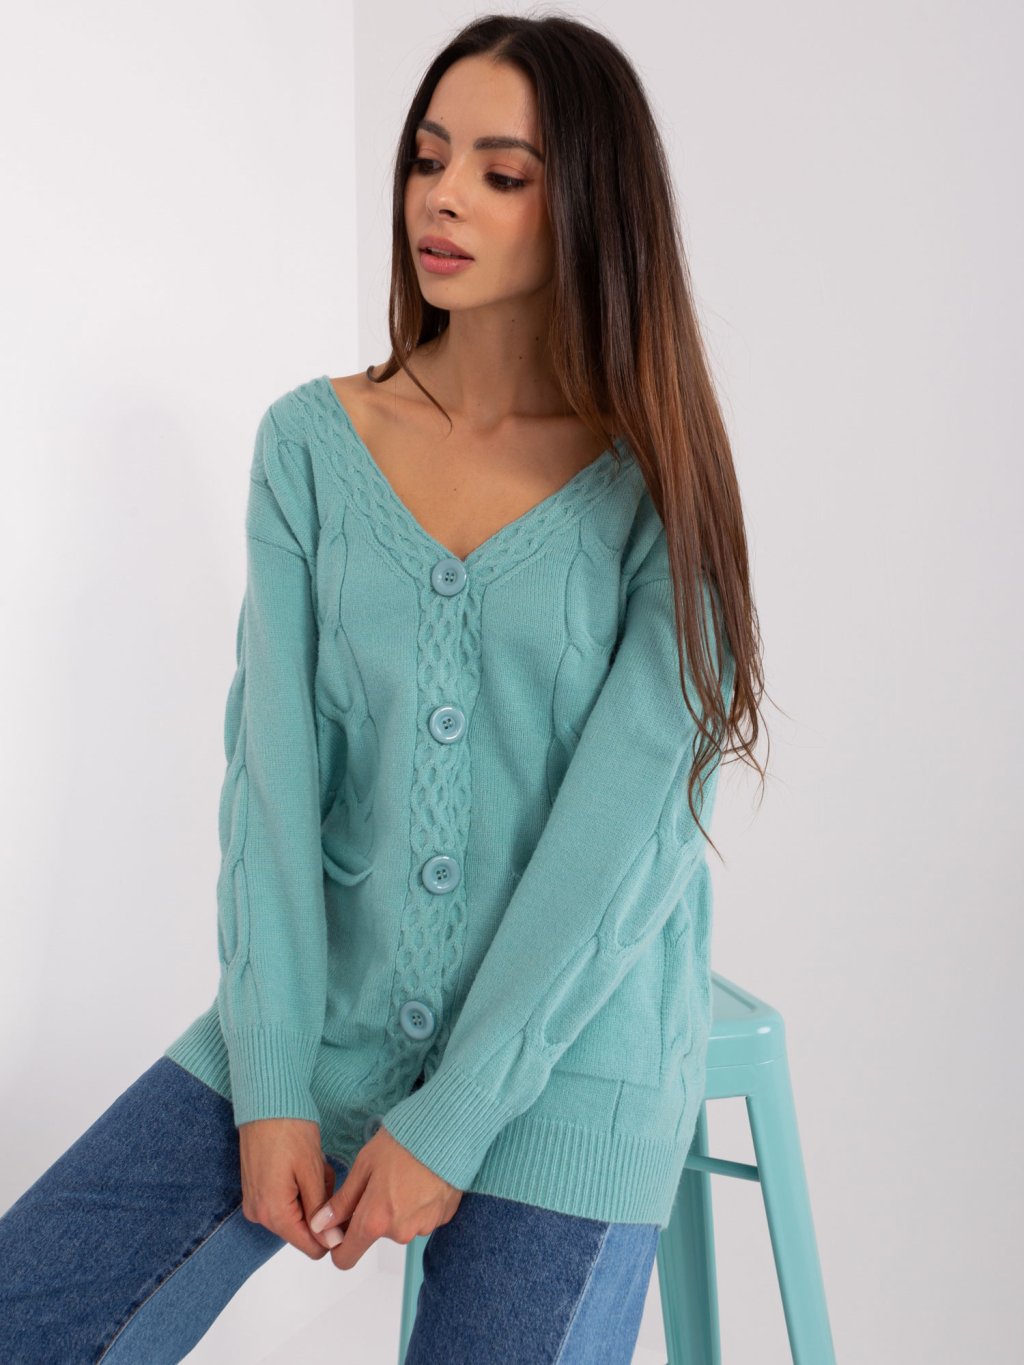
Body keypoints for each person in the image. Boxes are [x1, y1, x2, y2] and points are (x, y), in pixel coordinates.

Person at [0, 12, 766, 1363]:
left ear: (593, 208)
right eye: (427, 158)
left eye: (501, 172)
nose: (443, 197)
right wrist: (271, 1082)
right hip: (320, 1015)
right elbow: (272, 790)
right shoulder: (311, 447)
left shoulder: (657, 482)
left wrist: (454, 1117)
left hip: (571, 1059)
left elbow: (625, 842)